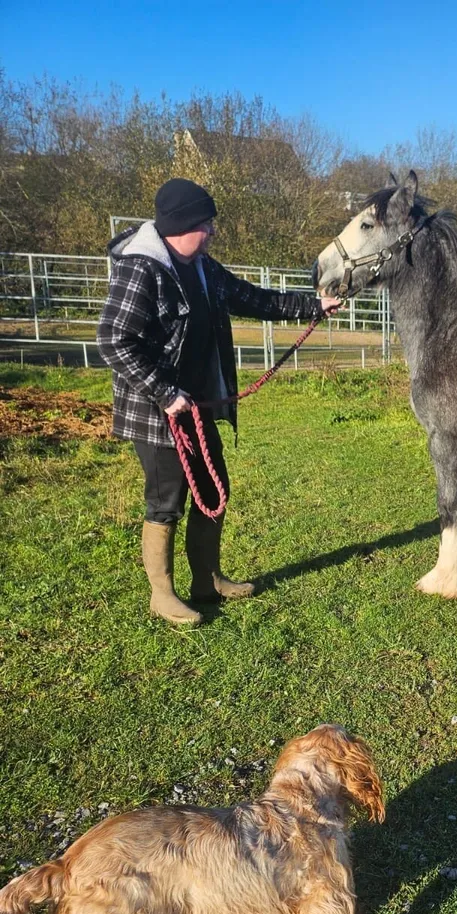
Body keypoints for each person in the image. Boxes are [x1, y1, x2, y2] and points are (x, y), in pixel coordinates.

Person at [97, 178, 341, 626]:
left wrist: (314, 306)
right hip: (158, 411)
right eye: (205, 223)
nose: (211, 231)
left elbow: (254, 297)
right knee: (166, 499)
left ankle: (207, 581)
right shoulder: (142, 267)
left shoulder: (203, 267)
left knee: (213, 490)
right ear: (181, 224)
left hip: (200, 404)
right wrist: (164, 392)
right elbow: (114, 340)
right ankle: (162, 594)